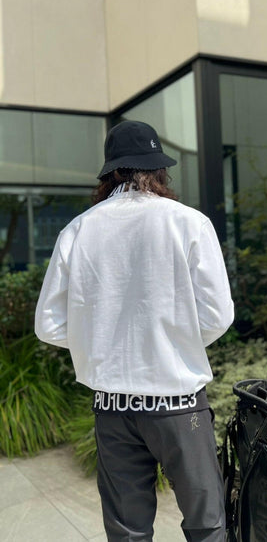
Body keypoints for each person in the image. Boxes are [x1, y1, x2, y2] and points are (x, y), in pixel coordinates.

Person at [35, 120, 234, 542]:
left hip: (113, 406)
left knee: (127, 533)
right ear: (159, 170)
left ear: (109, 174)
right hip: (178, 403)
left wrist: (101, 340)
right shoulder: (189, 223)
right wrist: (172, 343)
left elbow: (48, 325)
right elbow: (218, 316)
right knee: (208, 526)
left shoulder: (79, 229)